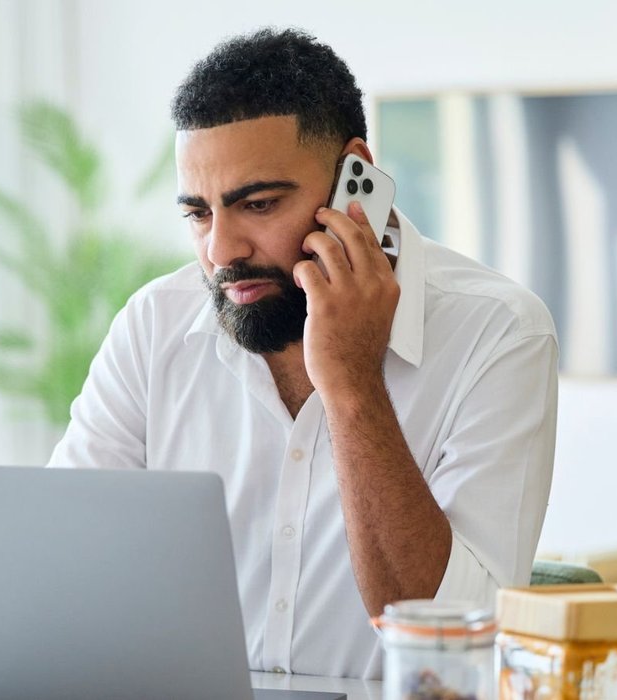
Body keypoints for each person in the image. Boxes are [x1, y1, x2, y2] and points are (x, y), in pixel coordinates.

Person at [48, 27, 557, 679]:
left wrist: (351, 384)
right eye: (198, 214)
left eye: (257, 204)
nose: (220, 251)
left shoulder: (497, 334)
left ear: (357, 182)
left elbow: (450, 646)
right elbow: (61, 567)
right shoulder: (155, 323)